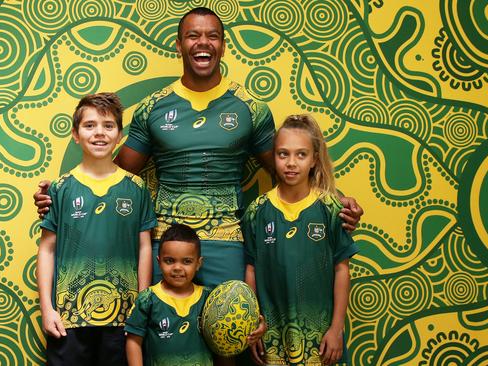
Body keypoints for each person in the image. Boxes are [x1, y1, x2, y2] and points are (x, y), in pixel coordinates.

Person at [34, 7, 363, 288]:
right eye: (193, 36)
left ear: (222, 45)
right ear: (179, 45)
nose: (203, 42)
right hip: (166, 240)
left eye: (212, 36)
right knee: (164, 346)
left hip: (228, 242)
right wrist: (61, 195)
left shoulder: (251, 107)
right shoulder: (154, 108)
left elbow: (287, 171)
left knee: (229, 339)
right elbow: (112, 173)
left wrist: (334, 202)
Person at [37, 93, 157, 365]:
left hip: (123, 318)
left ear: (119, 134)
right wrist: (47, 309)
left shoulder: (136, 189)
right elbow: (46, 250)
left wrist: (141, 304)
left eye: (108, 125)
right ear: (75, 135)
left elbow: (144, 247)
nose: (99, 133)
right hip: (69, 318)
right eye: (89, 125)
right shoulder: (60, 188)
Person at [243, 114, 360, 366]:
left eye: (301, 154)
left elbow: (342, 269)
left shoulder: (330, 207)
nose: (291, 163)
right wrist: (255, 321)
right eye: (283, 154)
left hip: (320, 339)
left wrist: (337, 329)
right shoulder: (257, 211)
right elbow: (251, 269)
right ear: (273, 157)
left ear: (314, 160)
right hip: (273, 338)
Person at [124, 223, 213, 366]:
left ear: (198, 263)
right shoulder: (148, 299)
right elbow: (133, 342)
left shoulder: (209, 299)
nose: (177, 268)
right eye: (170, 261)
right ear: (159, 262)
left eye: (187, 261)